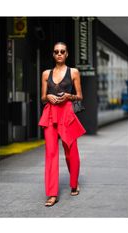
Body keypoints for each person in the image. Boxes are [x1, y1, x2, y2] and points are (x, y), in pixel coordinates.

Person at [38, 42, 86, 207]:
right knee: (50, 154)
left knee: (71, 151)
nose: (59, 54)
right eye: (56, 51)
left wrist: (68, 96)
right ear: (53, 54)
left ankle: (74, 182)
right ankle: (52, 194)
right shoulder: (46, 74)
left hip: (66, 114)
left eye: (62, 51)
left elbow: (79, 96)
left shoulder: (74, 72)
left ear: (66, 54)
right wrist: (48, 98)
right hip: (50, 114)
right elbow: (43, 97)